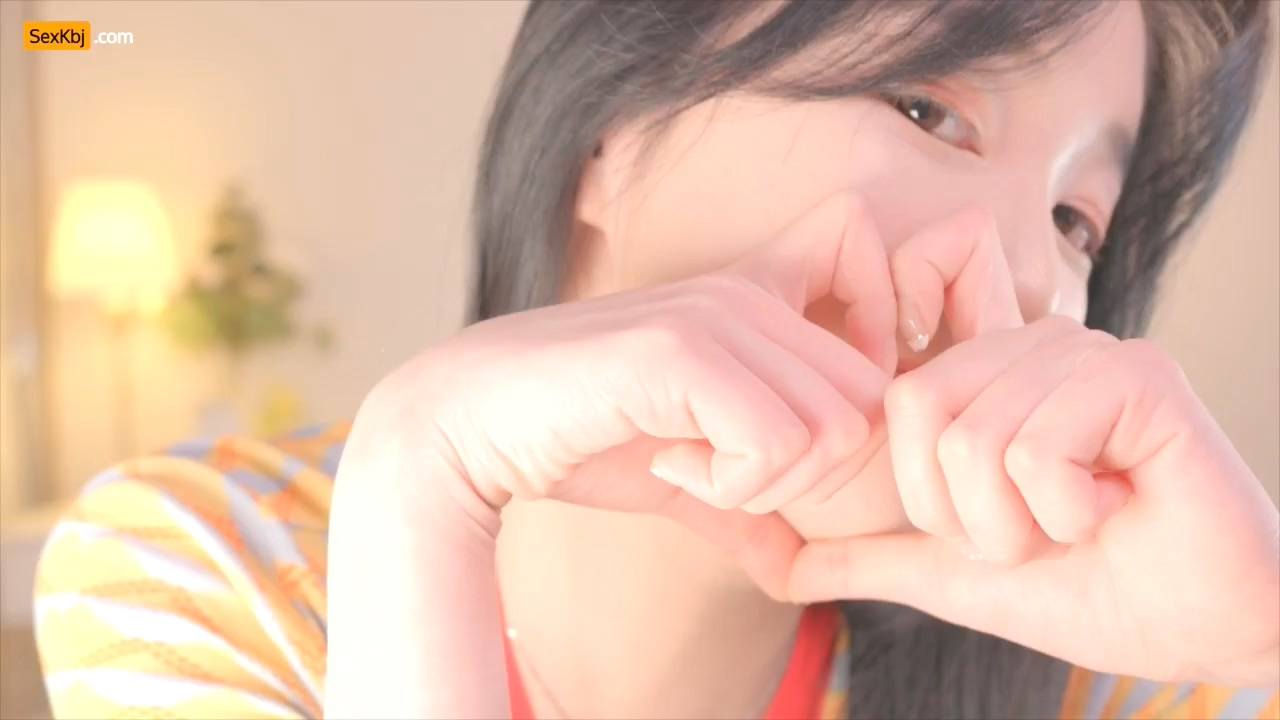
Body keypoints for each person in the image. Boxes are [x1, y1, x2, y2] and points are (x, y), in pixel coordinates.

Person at [33, 1, 1280, 718]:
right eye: (926, 109)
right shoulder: (204, 566)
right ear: (613, 130)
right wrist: (418, 477)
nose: (1027, 279)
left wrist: (1263, 643)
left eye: (1074, 219)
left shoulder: (1114, 678)